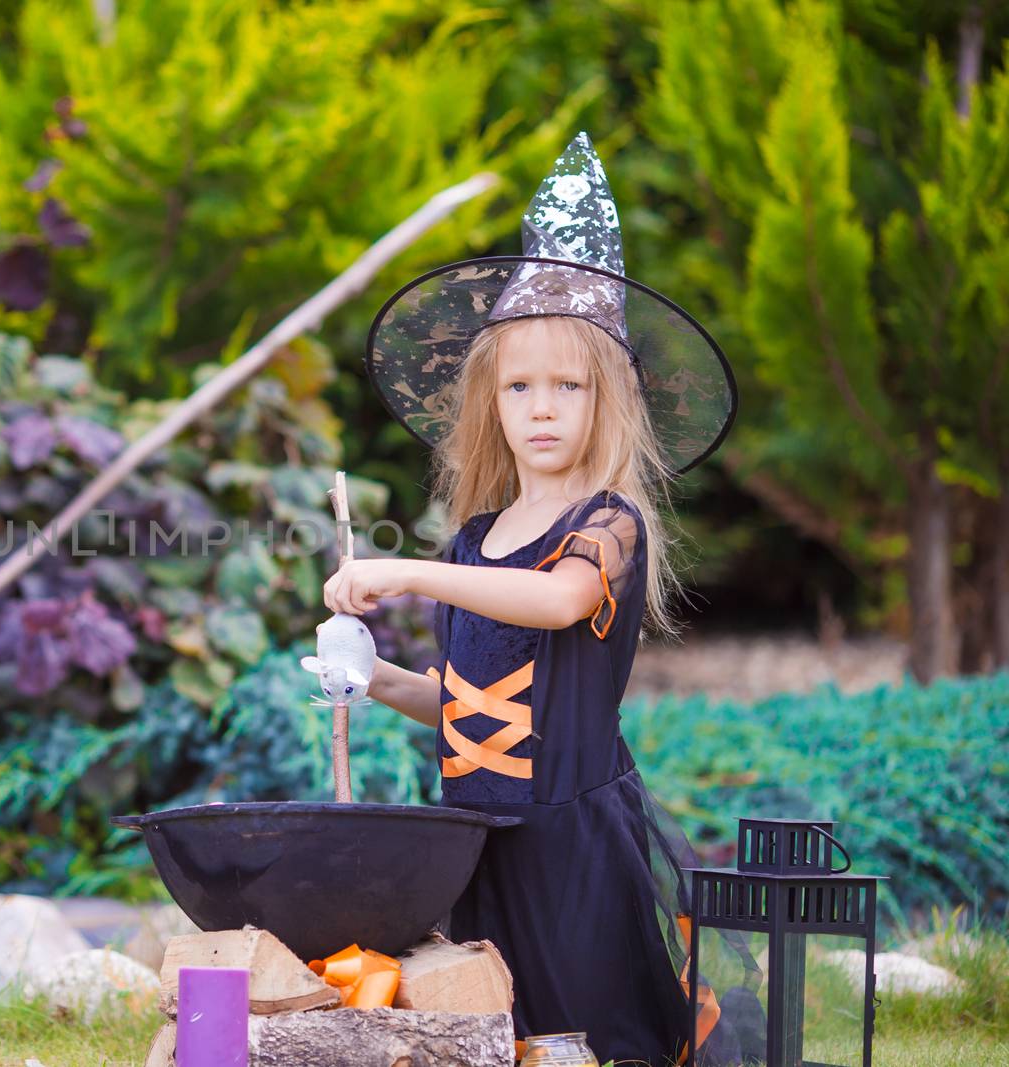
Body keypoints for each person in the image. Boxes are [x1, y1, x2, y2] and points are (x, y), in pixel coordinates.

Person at [323, 133, 767, 1066]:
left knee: (591, 1034)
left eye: (569, 385)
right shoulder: (479, 540)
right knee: (498, 1032)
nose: (543, 407)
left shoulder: (608, 527)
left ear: (609, 402)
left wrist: (404, 573)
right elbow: (462, 692)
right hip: (481, 843)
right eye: (521, 386)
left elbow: (558, 604)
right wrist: (375, 676)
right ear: (492, 402)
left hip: (572, 844)